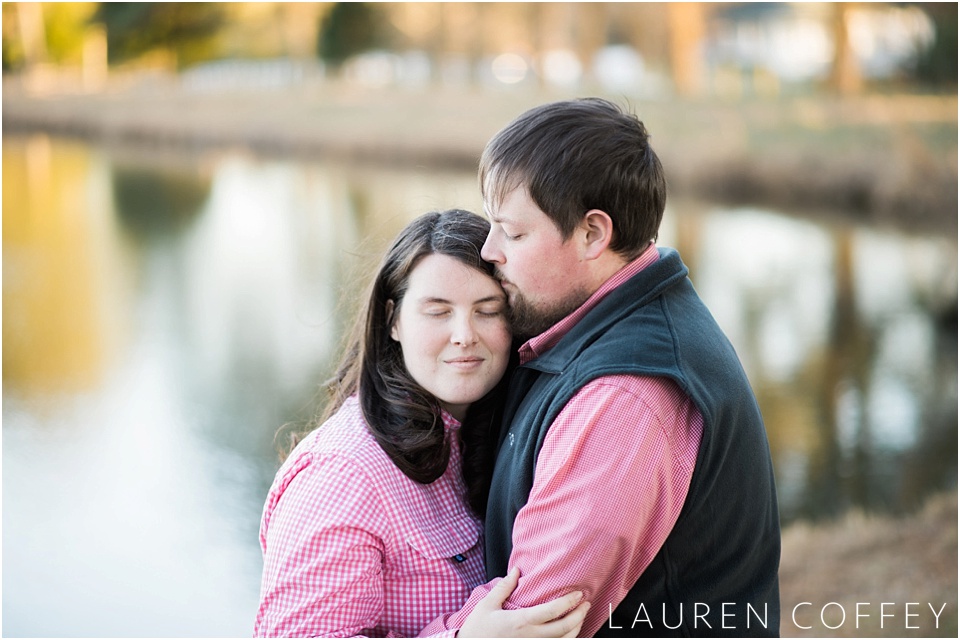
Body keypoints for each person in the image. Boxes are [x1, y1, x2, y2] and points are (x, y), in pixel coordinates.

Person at [419, 99, 781, 637]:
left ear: (593, 234)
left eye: (513, 233)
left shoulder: (624, 398)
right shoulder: (602, 324)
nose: (489, 249)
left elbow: (530, 620)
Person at [254, 209, 589, 638]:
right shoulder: (342, 475)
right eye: (438, 311)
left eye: (488, 310)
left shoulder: (497, 439)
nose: (464, 334)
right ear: (393, 320)